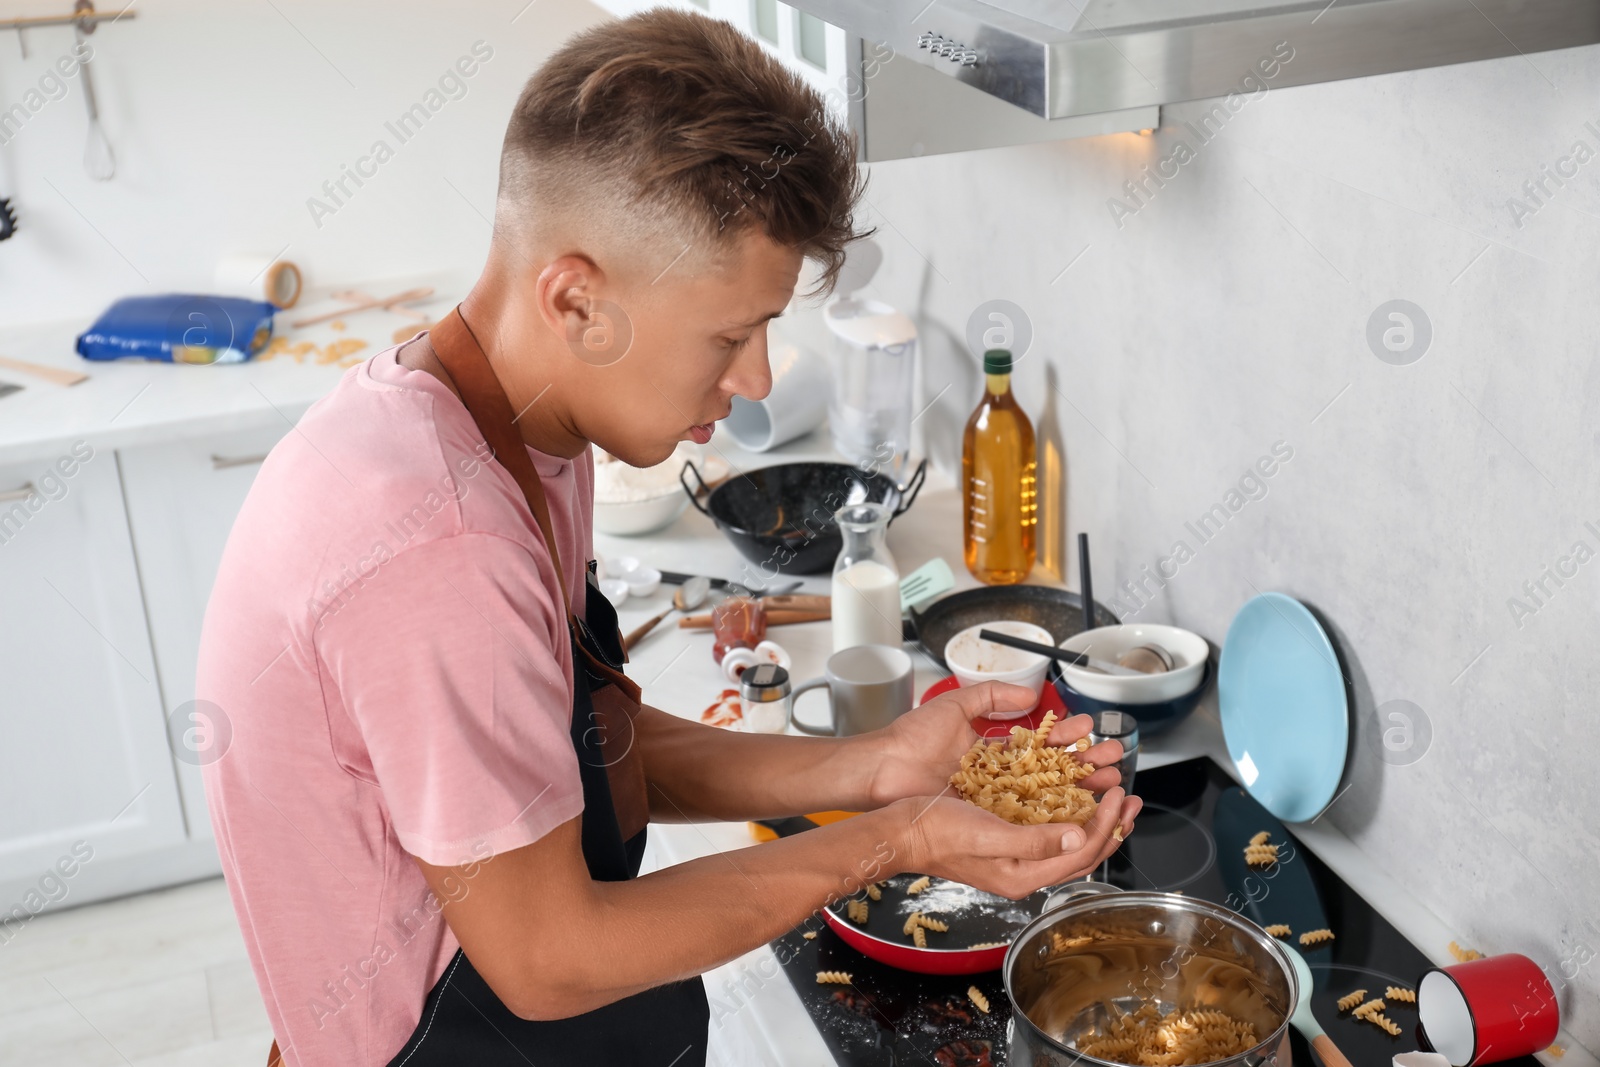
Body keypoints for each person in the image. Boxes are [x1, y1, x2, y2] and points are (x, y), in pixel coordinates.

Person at [196, 9, 1142, 1065]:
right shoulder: (441, 542)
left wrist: (874, 764)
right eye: (729, 334)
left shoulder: (499, 425)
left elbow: (582, 754)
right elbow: (548, 954)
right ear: (577, 300)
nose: (756, 383)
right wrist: (900, 837)